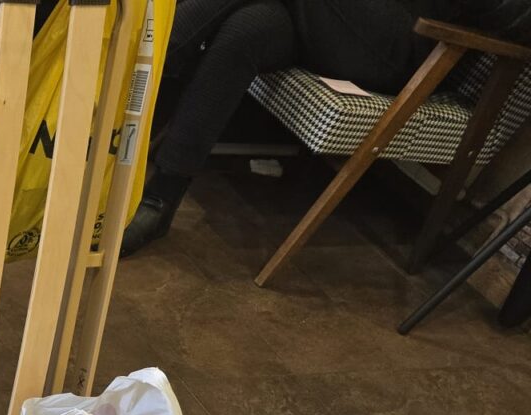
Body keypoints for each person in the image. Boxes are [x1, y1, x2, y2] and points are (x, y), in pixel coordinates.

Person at [121, 0, 531, 255]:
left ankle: (115, 102)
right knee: (246, 30)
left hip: (397, 45)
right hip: (326, 19)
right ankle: (160, 199)